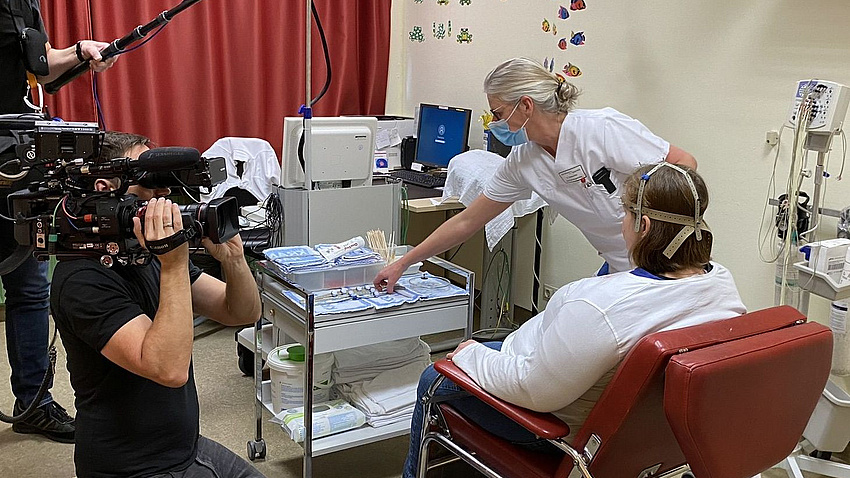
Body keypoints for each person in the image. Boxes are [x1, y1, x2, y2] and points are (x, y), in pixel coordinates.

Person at [402, 163, 747, 478]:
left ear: (642, 225)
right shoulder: (720, 284)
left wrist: (469, 354)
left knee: (434, 377)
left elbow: (533, 391)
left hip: (558, 429)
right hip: (649, 438)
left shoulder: (602, 307)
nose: (621, 221)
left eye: (625, 213)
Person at [374, 57, 697, 292]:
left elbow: (683, 163)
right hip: (618, 265)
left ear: (526, 106)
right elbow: (466, 221)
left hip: (665, 265)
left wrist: (649, 220)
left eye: (498, 114)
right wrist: (404, 262)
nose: (495, 124)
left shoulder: (599, 130)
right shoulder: (523, 161)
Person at [50, 132, 265, 477]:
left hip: (184, 447)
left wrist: (234, 259)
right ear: (105, 188)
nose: (163, 194)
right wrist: (174, 263)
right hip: (133, 467)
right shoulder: (82, 278)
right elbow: (168, 369)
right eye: (148, 184)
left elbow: (241, 312)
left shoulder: (143, 253)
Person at [0, 0, 116, 443]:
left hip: (17, 158)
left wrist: (80, 51)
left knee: (30, 289)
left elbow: (42, 66)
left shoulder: (24, 4)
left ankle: (33, 403)